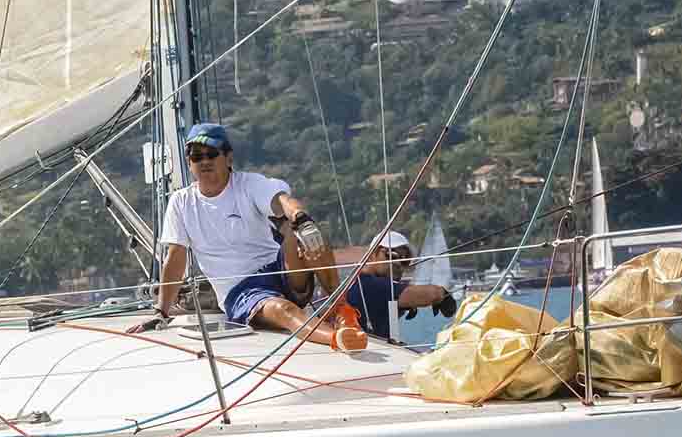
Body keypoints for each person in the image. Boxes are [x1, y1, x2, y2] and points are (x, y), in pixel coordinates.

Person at [133, 123, 367, 351]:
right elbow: (175, 258)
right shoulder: (181, 202)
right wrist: (161, 312)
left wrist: (301, 218)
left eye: (212, 153)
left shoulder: (248, 184)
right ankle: (338, 338)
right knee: (283, 310)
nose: (204, 161)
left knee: (309, 234)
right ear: (189, 162)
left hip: (277, 269)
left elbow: (281, 200)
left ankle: (341, 309)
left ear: (228, 158)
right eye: (196, 156)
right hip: (241, 292)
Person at [344, 231, 459, 340]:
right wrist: (444, 294)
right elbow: (433, 294)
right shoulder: (368, 284)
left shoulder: (358, 281)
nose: (398, 263)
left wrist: (404, 304)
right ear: (372, 254)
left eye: (405, 261)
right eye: (392, 255)